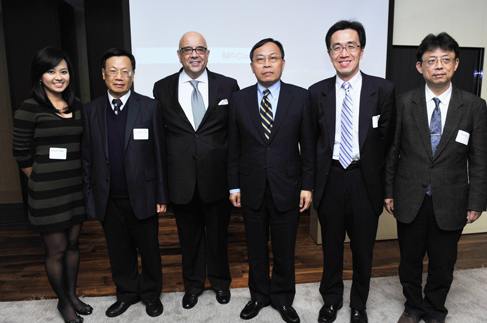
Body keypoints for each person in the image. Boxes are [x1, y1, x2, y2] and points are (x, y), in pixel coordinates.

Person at [384, 32, 487, 323]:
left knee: (443, 263)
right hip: (409, 196)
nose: (438, 66)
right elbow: (393, 151)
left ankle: (434, 309)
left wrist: (477, 200)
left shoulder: (474, 106)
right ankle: (413, 306)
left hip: (452, 198)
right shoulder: (404, 103)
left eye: (445, 60)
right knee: (409, 262)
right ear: (420, 67)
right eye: (431, 60)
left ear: (456, 65)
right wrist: (388, 191)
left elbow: (479, 158)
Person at [309, 20, 396, 323]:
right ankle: (331, 300)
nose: (343, 52)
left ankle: (359, 303)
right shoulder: (316, 92)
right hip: (330, 179)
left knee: (363, 251)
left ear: (361, 50)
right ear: (329, 52)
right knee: (331, 248)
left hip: (364, 180)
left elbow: (388, 144)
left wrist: (386, 189)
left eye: (351, 45)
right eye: (337, 47)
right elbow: (311, 143)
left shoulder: (383, 90)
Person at [228, 38, 316, 323]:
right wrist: (233, 185)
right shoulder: (239, 99)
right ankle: (258, 296)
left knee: (284, 248)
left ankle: (282, 298)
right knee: (254, 248)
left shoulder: (301, 97)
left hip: (288, 187)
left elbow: (309, 147)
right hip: (250, 186)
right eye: (260, 59)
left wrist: (307, 185)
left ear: (283, 63)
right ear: (252, 65)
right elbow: (233, 147)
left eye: (273, 58)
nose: (267, 64)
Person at [152, 31, 239, 309]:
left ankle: (220, 282)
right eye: (187, 49)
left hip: (218, 179)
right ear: (179, 55)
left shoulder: (228, 86)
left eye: (200, 49)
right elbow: (159, 138)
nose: (194, 54)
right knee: (188, 239)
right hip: (181, 180)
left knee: (218, 237)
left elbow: (235, 135)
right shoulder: (161, 88)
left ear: (208, 54)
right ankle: (192, 286)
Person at [81, 48, 168, 318]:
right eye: (113, 71)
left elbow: (159, 155)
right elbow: (86, 158)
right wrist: (90, 197)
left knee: (150, 249)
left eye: (125, 71)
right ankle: (127, 293)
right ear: (103, 74)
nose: (119, 77)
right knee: (119, 251)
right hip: (108, 197)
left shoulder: (149, 106)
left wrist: (162, 196)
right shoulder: (90, 111)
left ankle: (152, 294)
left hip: (143, 194)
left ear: (133, 74)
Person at [13, 47, 90, 323]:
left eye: (64, 71)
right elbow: (20, 152)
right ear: (39, 75)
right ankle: (63, 303)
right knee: (55, 250)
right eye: (51, 71)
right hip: (47, 193)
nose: (59, 77)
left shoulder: (78, 105)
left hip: (74, 190)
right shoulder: (28, 109)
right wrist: (40, 178)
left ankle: (72, 295)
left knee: (72, 245)